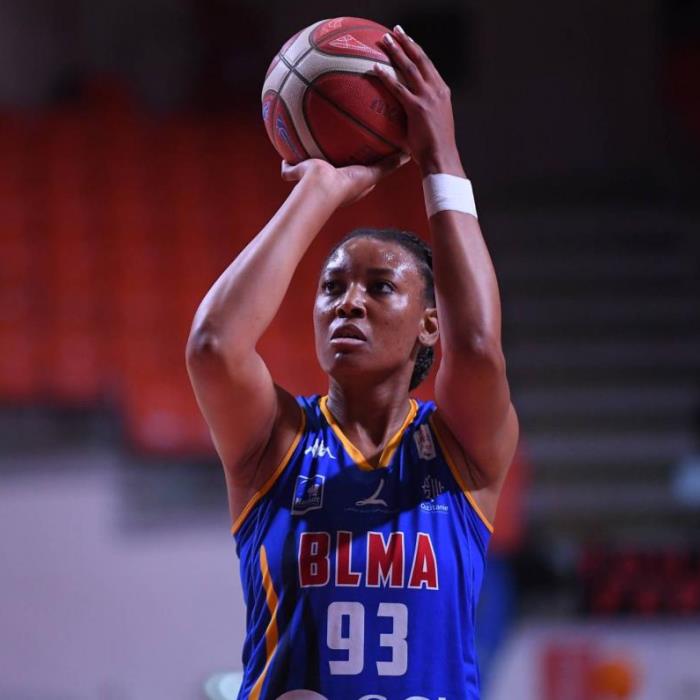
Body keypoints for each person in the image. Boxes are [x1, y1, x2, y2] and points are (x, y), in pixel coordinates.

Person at [186, 25, 519, 700]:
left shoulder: (458, 451)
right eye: (332, 287)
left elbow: (480, 346)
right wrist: (318, 191)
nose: (348, 302)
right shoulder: (276, 443)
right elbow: (214, 345)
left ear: (431, 323)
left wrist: (441, 156)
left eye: (380, 287)